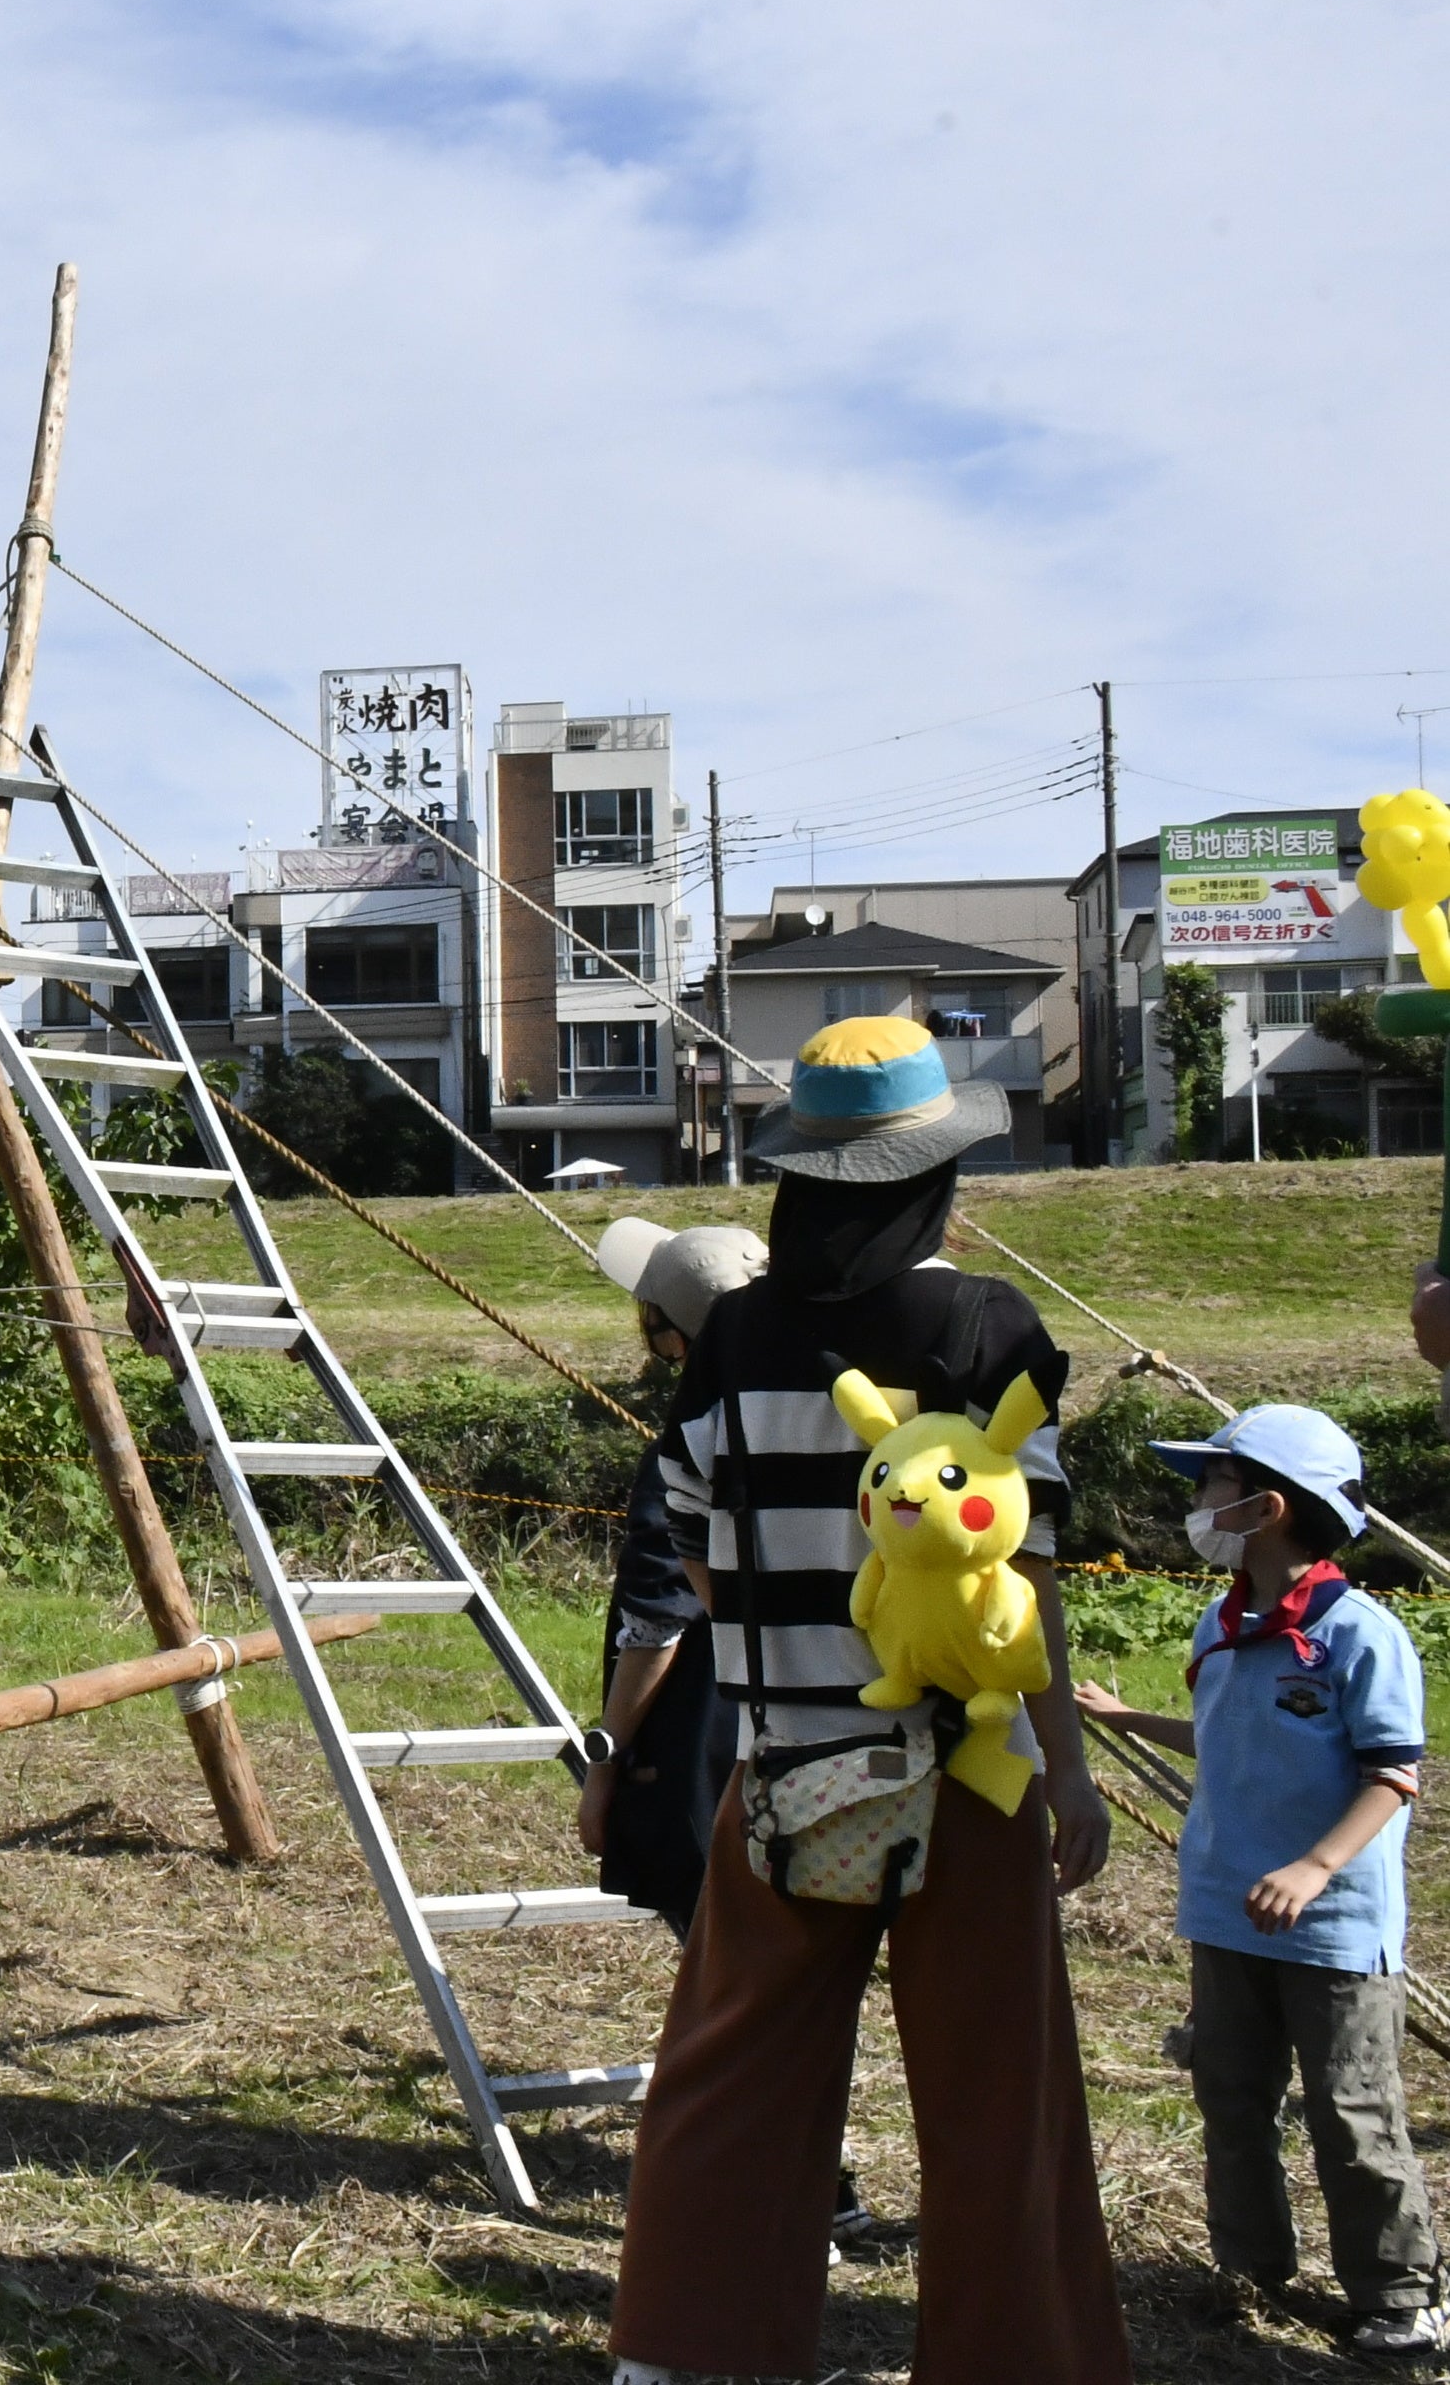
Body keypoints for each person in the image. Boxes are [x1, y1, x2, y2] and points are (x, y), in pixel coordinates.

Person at [609, 1017, 1126, 2385]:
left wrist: (775, 1673)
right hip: (967, 1776)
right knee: (993, 2100)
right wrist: (1070, 1772)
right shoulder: (987, 1328)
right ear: (930, 1174)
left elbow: (688, 1540)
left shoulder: (734, 1337)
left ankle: (683, 2356)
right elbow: (1034, 1575)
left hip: (785, 1774)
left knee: (733, 2080)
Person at [1076, 1406, 1441, 2354]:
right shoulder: (1223, 1619)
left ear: (1268, 1508)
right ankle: (1250, 2269)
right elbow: (1228, 1738)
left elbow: (1392, 1775)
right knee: (1230, 2098)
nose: (1198, 1502)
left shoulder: (1360, 1634)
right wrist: (1129, 1718)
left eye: (1213, 1485)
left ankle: (1400, 2298)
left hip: (1331, 1931)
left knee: (1350, 2111)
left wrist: (1317, 1867)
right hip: (1225, 1913)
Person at [577, 1217, 891, 2257]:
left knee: (739, 1977)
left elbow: (657, 1616)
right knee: (788, 1972)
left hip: (715, 1739)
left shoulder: (694, 1437)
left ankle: (798, 2185)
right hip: (834, 1727)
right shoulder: (830, 1418)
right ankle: (808, 2178)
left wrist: (610, 1753)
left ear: (676, 1333)